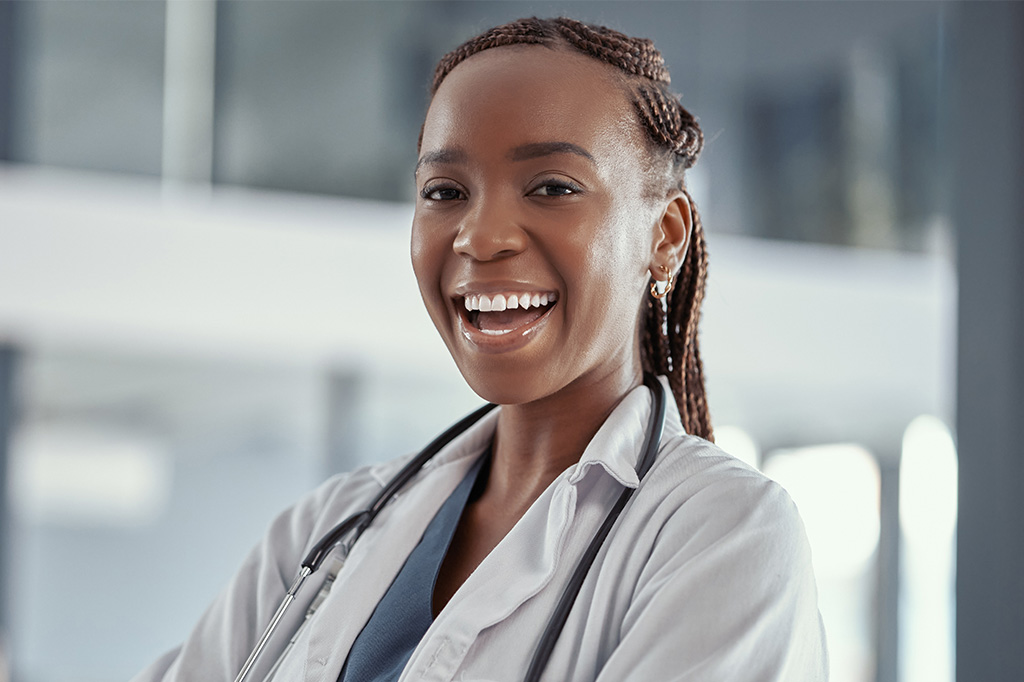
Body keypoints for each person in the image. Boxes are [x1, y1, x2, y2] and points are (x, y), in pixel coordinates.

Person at [133, 17, 828, 682]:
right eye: (446, 191)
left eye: (552, 187)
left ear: (666, 234)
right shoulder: (329, 528)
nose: (481, 234)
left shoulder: (723, 536)